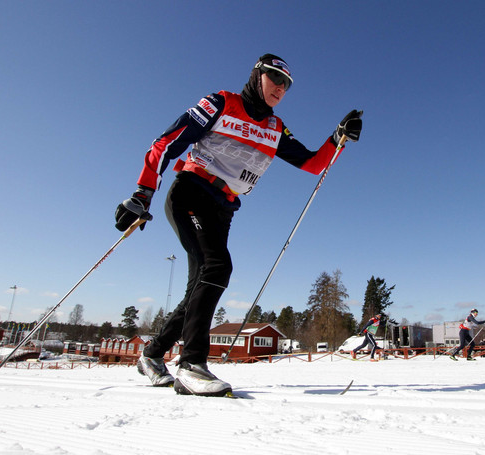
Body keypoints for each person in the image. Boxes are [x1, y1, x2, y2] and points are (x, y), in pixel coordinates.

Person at [114, 53, 362, 397]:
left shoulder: (275, 128)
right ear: (256, 76)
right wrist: (143, 193)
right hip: (191, 192)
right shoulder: (220, 103)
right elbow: (167, 143)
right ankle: (191, 366)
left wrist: (337, 138)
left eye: (287, 84)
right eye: (274, 78)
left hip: (224, 207)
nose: (280, 87)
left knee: (202, 282)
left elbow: (311, 163)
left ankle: (153, 354)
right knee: (217, 267)